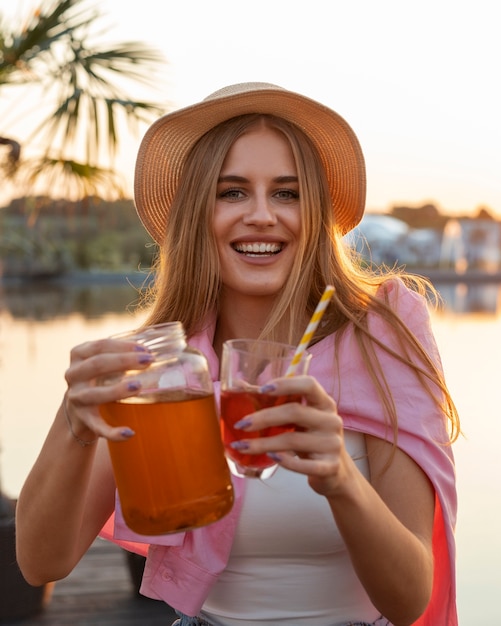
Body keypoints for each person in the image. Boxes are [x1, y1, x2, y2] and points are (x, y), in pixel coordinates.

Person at [15, 82, 459, 626]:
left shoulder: (383, 332)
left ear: (316, 212)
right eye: (232, 192)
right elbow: (41, 564)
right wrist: (73, 422)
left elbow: (411, 596)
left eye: (286, 192)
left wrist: (341, 477)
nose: (261, 216)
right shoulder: (161, 368)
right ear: (198, 212)